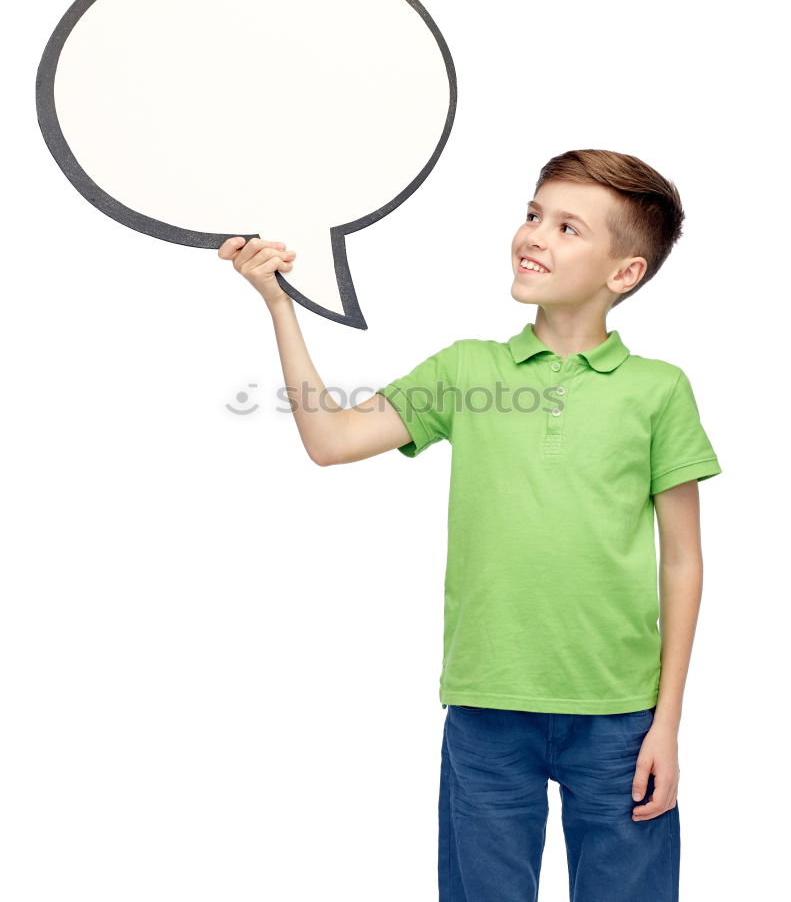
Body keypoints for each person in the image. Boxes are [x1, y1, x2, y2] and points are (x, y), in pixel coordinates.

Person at [218, 148, 722, 902]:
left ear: (624, 272)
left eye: (565, 227)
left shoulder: (658, 391)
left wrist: (666, 724)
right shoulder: (467, 371)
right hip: (487, 705)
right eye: (530, 214)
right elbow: (330, 440)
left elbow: (681, 561)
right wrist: (278, 305)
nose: (533, 236)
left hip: (618, 717)